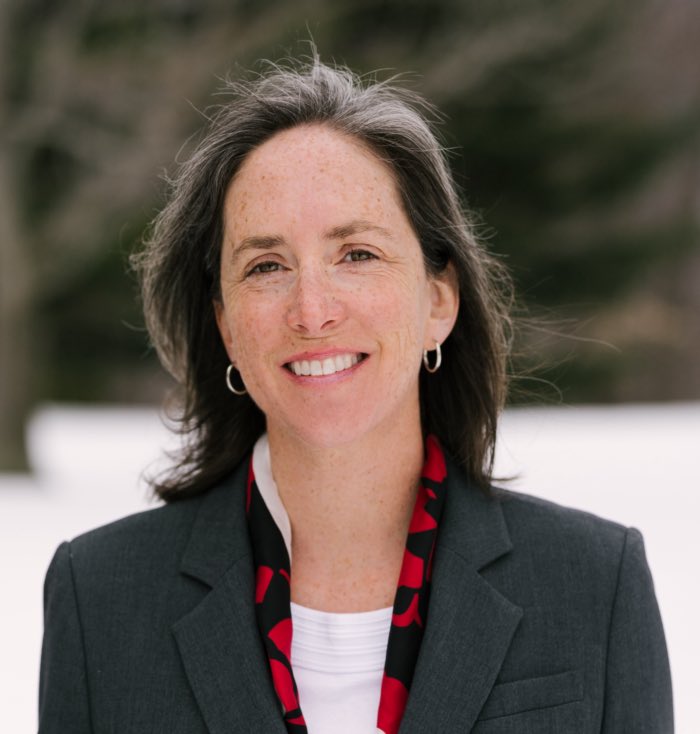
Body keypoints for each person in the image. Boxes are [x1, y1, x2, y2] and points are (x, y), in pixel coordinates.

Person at [39, 53, 673, 733]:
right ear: (225, 325)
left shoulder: (593, 586)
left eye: (357, 254)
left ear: (439, 299)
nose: (312, 311)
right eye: (266, 265)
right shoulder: (100, 597)